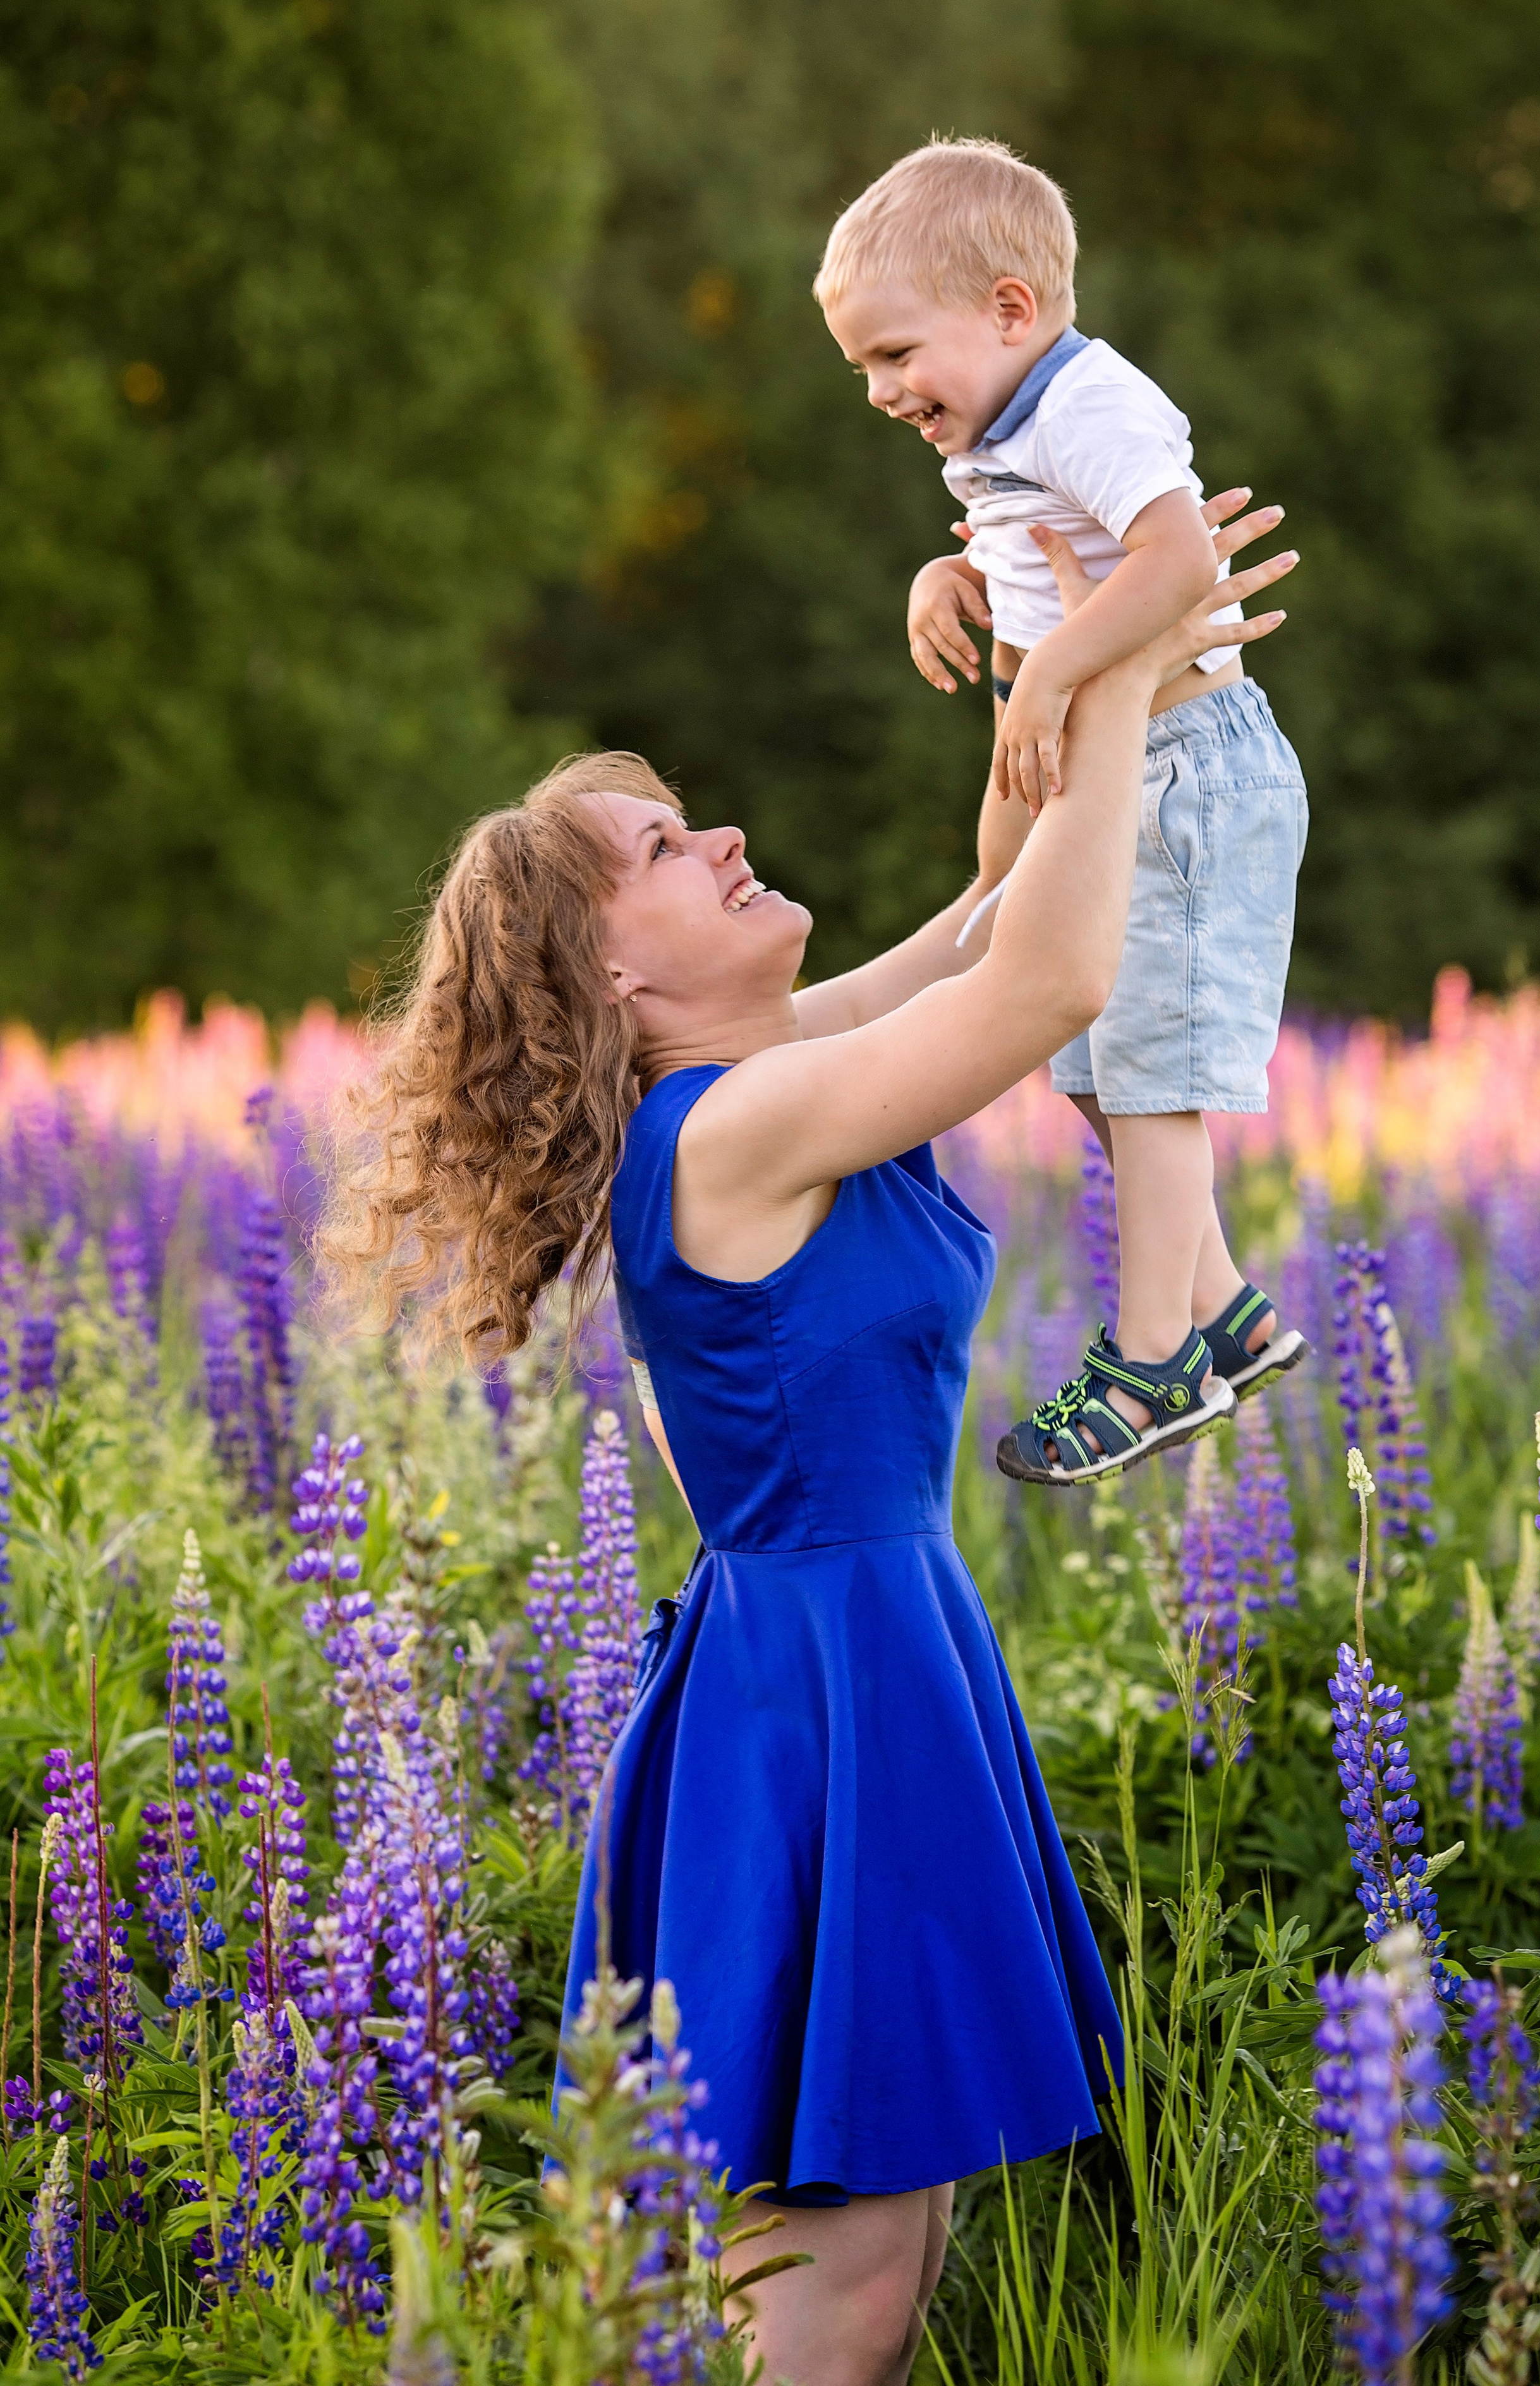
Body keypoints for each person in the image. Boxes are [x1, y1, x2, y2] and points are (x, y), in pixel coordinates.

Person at [320, 516, 1294, 2386]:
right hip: (820, 1684)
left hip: (861, 1655)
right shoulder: (730, 1130)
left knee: (880, 2250)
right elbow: (1049, 987)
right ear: (615, 979)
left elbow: (993, 912)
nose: (725, 840)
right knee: (829, 2285)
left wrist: (1067, 638)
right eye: (664, 854)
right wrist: (1111, 671)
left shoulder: (758, 1083)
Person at [815, 137, 1310, 1484]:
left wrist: (1046, 679)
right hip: (1110, 781)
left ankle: (1157, 1361)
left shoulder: (1089, 404)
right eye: (862, 370)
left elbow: (1178, 558)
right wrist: (945, 580)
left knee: (1148, 1077)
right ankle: (1222, 1309)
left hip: (1183, 772)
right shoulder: (1003, 430)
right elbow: (1033, 554)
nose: (881, 391)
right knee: (1088, 1063)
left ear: (1009, 309)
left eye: (894, 354)